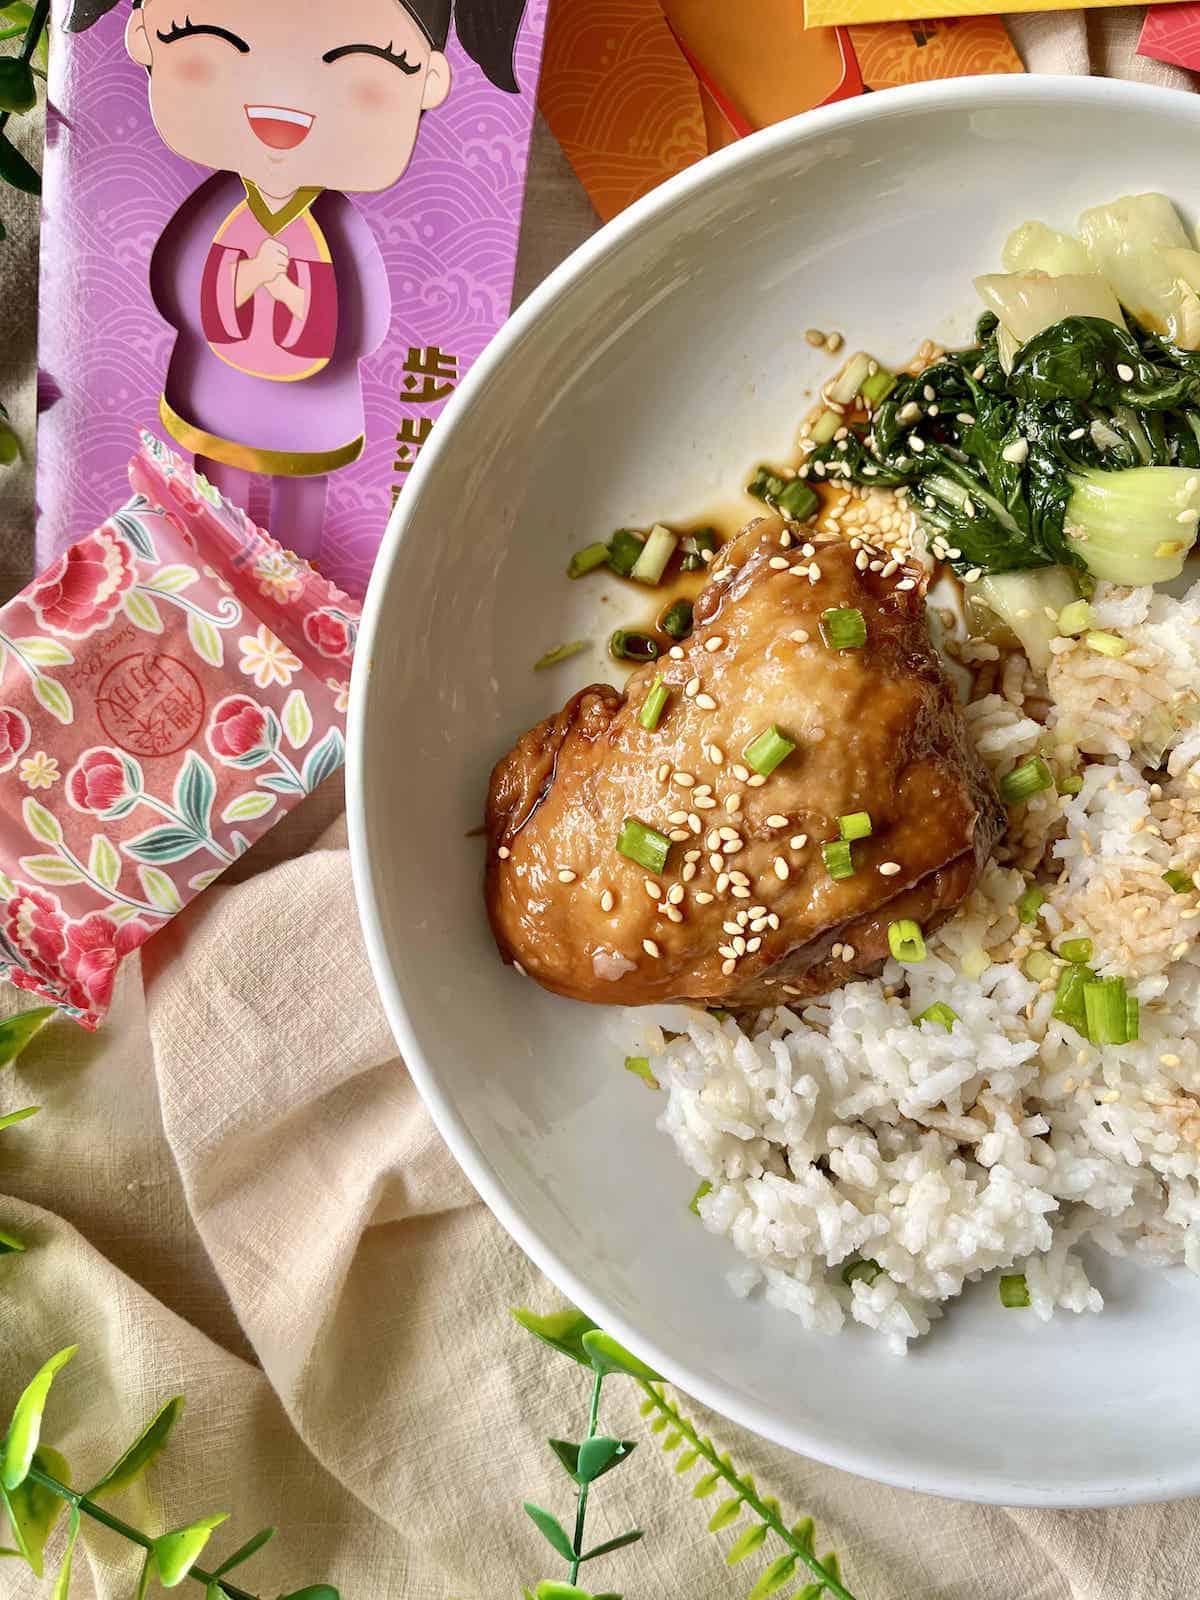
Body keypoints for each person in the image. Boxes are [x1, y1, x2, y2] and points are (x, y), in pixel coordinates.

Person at [125, 0, 526, 559]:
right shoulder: (221, 204)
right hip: (220, 384)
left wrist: (289, 291)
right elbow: (175, 288)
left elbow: (367, 327)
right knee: (217, 482)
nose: (286, 100)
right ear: (145, 36)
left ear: (430, 80)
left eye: (363, 66)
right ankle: (208, 566)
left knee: (301, 493)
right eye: (208, 38)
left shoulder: (335, 222)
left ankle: (296, 584)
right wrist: (246, 278)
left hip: (312, 405)